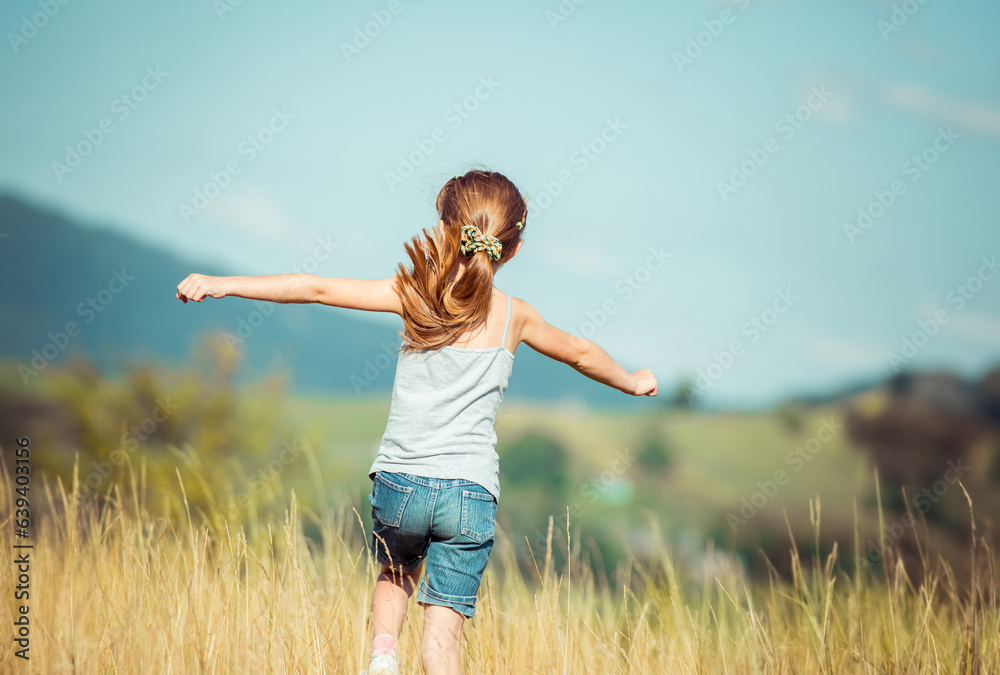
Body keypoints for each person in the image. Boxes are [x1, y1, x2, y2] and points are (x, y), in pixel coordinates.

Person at [175, 169, 658, 674]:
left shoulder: (413, 292)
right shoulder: (516, 315)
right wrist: (630, 380)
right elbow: (579, 353)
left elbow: (313, 287)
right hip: (470, 493)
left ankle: (383, 658)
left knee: (396, 574)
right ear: (511, 250)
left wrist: (222, 284)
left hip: (402, 483)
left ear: (446, 231)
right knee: (442, 640)